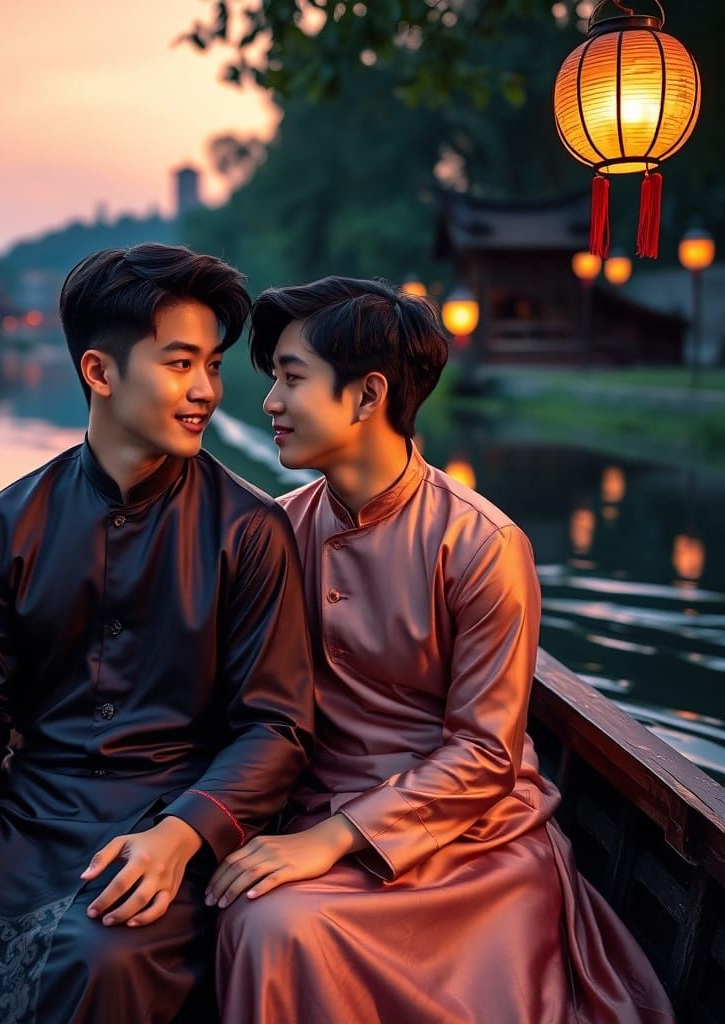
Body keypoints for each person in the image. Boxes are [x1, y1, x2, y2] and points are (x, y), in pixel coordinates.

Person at [0, 243, 314, 1024]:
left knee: (98, 957)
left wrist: (186, 835)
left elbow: (276, 728)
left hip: (166, 823)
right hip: (25, 814)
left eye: (214, 366)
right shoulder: (8, 523)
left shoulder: (250, 531)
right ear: (99, 371)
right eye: (180, 364)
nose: (206, 392)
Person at [210, 276, 675, 1023]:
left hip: (469, 842)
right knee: (247, 912)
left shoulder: (481, 543)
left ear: (367, 397)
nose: (269, 402)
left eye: (290, 379)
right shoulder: (277, 530)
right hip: (308, 816)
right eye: (272, 380)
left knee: (274, 924)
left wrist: (335, 839)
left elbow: (487, 756)